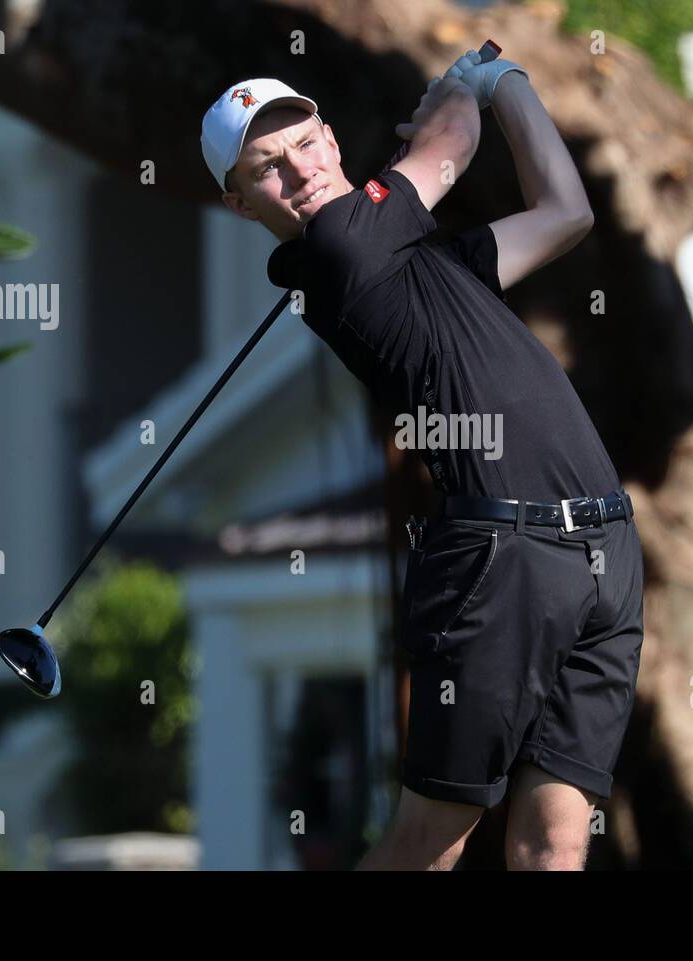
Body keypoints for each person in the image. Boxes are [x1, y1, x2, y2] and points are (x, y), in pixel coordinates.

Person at [200, 50, 644, 870]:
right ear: (238, 202)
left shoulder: (424, 262)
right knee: (430, 844)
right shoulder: (338, 246)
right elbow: (446, 148)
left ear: (331, 140)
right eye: (265, 167)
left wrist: (509, 86)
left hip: (604, 549)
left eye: (302, 143)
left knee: (554, 845)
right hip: (499, 555)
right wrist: (462, 84)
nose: (297, 170)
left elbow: (564, 211)